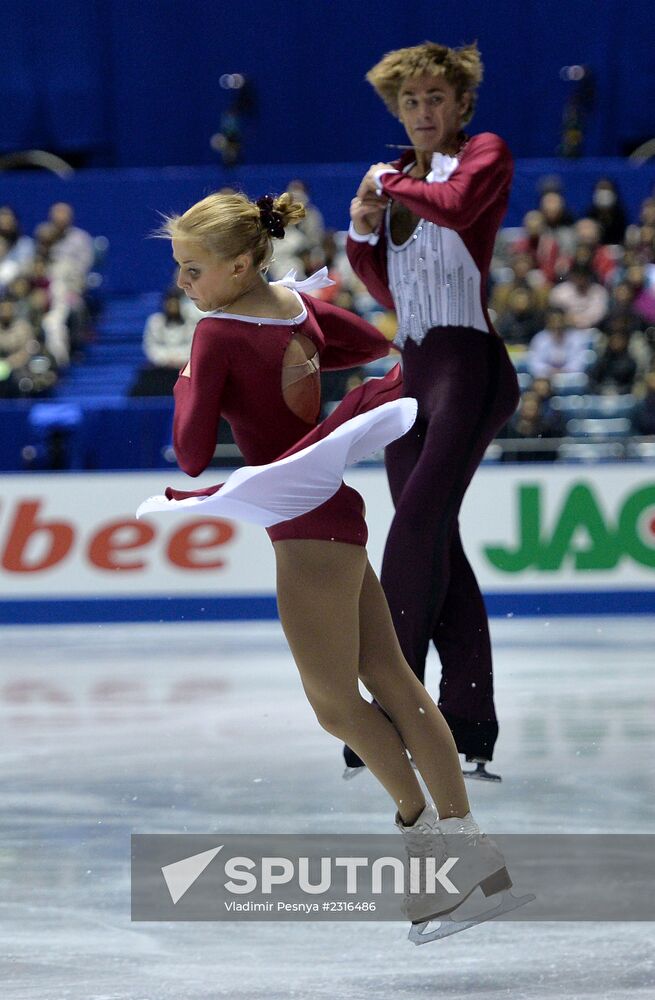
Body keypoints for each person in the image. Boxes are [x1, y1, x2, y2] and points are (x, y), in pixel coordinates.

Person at [137, 190, 531, 941]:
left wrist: (194, 373)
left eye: (193, 269)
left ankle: (433, 851)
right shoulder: (292, 305)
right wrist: (295, 341)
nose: (183, 284)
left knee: (334, 705)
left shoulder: (217, 333)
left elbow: (189, 452)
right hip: (329, 511)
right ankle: (468, 850)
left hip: (302, 523)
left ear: (241, 263)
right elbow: (367, 346)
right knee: (390, 681)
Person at [345, 41, 520, 781]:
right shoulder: (399, 184)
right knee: (434, 543)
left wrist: (384, 183)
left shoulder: (481, 155)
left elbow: (455, 206)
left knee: (414, 528)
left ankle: (389, 709)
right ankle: (469, 718)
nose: (421, 111)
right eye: (409, 101)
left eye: (433, 99)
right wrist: (359, 227)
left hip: (466, 369)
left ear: (459, 105)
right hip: (413, 370)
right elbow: (391, 291)